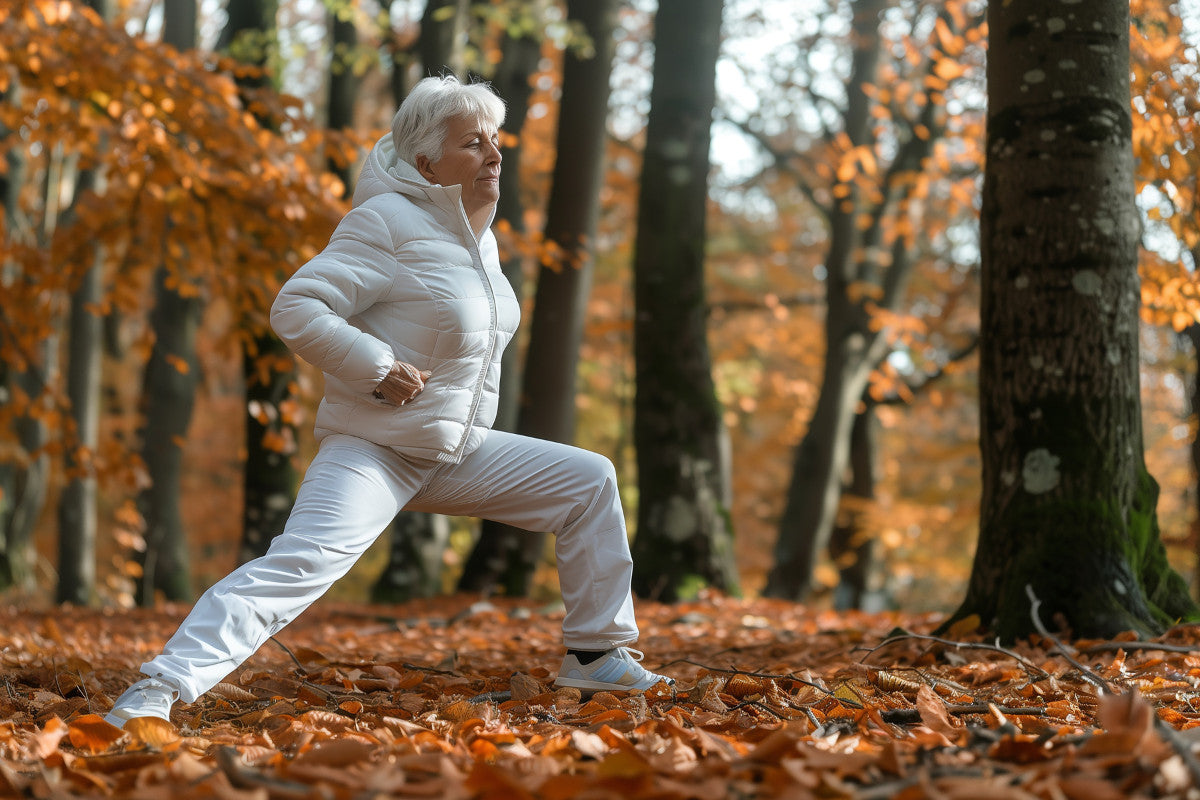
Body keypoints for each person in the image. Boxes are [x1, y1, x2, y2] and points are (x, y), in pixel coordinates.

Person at [104, 75, 673, 728]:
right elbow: (296, 305)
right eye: (472, 143)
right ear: (426, 163)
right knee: (300, 564)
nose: (493, 154)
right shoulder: (386, 224)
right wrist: (376, 366)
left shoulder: (478, 243)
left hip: (454, 448)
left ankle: (596, 655)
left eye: (495, 140)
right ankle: (158, 690)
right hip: (374, 448)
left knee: (588, 480)